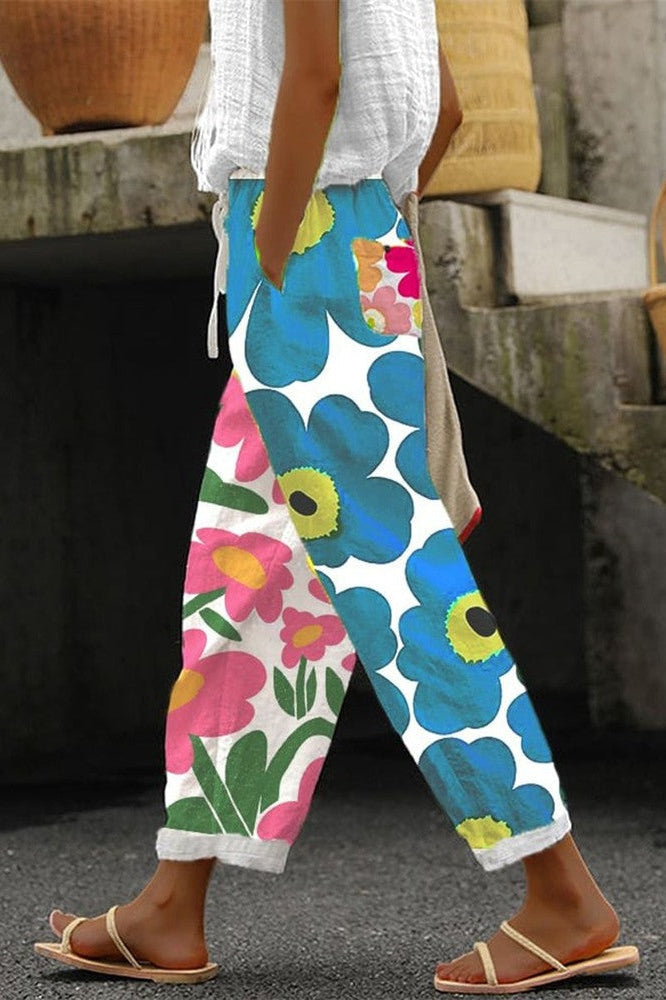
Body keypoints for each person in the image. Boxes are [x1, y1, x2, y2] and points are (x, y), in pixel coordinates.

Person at [34, 0, 639, 992]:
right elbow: (444, 105)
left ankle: (564, 892)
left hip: (303, 255)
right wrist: (362, 235)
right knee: (247, 582)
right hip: (355, 241)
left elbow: (315, 79)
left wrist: (273, 254)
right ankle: (172, 905)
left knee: (401, 585)